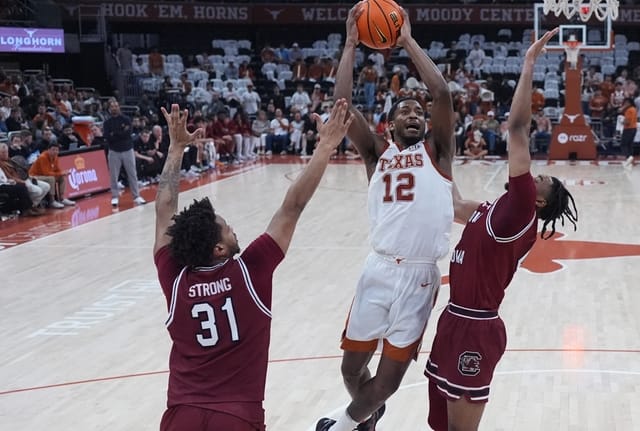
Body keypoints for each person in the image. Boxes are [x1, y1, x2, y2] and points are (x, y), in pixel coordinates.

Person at [154, 100, 353, 431]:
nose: (234, 229)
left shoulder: (173, 277)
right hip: (236, 416)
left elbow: (164, 208)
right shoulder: (249, 271)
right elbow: (293, 206)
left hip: (181, 415)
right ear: (219, 249)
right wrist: (326, 147)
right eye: (227, 228)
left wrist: (175, 149)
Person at [424, 29, 578, 431]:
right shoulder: (493, 209)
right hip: (453, 319)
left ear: (540, 200)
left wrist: (528, 65)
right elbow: (455, 204)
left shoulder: (521, 210)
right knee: (437, 424)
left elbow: (516, 130)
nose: (538, 173)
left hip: (477, 327)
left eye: (543, 178)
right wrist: (437, 153)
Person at [316, 5, 455, 431]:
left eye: (419, 111)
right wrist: (352, 44)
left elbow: (444, 95)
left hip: (418, 276)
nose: (415, 114)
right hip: (377, 270)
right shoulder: (377, 154)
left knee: (389, 380)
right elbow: (342, 106)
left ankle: (339, 427)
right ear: (390, 123)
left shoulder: (439, 152)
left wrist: (407, 41)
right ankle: (367, 419)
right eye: (405, 111)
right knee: (350, 372)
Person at [103, 99, 146, 207]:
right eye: (112, 106)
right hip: (114, 151)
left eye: (116, 106)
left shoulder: (126, 119)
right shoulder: (107, 123)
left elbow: (127, 134)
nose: (114, 108)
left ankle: (136, 196)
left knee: (132, 174)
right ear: (109, 109)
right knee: (114, 176)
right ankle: (114, 197)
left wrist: (115, 133)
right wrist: (120, 132)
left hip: (127, 149)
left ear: (119, 107)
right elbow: (108, 137)